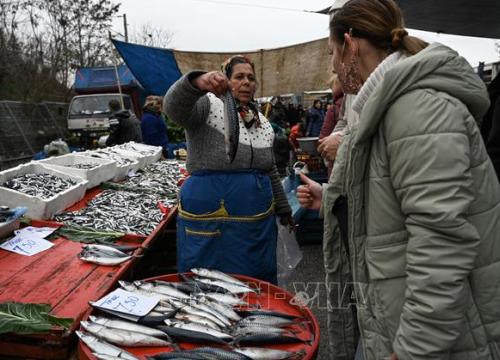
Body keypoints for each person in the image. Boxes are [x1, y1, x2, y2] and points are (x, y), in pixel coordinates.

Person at [297, 0, 500, 359]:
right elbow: (389, 201)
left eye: (331, 52)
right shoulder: (382, 105)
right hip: (393, 317)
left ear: (350, 45)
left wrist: (415, 348)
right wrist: (329, 196)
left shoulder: (418, 108)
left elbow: (442, 239)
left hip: (433, 338)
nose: (331, 64)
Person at [164, 55, 292, 284]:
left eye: (251, 78)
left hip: (255, 223)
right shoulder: (207, 104)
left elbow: (269, 169)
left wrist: (283, 210)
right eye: (239, 77)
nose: (246, 82)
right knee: (206, 279)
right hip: (210, 218)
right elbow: (173, 108)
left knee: (253, 281)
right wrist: (196, 82)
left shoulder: (261, 121)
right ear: (226, 79)